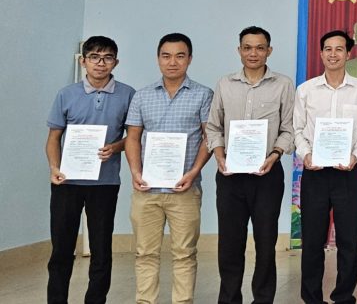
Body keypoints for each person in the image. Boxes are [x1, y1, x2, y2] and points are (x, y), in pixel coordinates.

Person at [206, 26, 294, 304]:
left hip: (267, 174)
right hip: (230, 174)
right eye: (247, 47)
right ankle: (229, 298)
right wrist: (219, 155)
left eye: (259, 48)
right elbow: (213, 127)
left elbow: (289, 129)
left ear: (269, 51)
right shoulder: (225, 84)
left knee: (266, 243)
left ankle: (263, 299)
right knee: (230, 243)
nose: (253, 53)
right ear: (239, 50)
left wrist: (275, 154)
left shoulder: (283, 84)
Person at [124, 33, 213, 304]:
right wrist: (135, 172)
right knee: (145, 253)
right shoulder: (142, 96)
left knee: (184, 253)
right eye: (166, 56)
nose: (172, 62)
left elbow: (209, 138)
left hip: (184, 190)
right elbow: (132, 138)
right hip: (147, 190)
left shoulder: (203, 94)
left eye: (179, 56)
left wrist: (193, 172)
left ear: (190, 59)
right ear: (158, 59)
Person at [46, 36, 135, 304]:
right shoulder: (66, 94)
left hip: (105, 184)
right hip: (67, 182)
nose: (100, 63)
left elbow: (134, 138)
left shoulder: (128, 94)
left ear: (116, 62)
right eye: (94, 57)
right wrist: (54, 168)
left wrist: (115, 147)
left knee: (101, 250)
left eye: (107, 58)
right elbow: (53, 138)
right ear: (84, 61)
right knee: (61, 249)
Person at [294, 29, 357, 304]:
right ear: (320, 53)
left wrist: (356, 156)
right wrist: (306, 155)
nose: (333, 54)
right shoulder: (306, 90)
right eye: (328, 49)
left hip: (347, 173)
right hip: (315, 174)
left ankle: (343, 297)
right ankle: (311, 298)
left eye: (339, 49)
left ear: (348, 53)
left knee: (349, 242)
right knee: (312, 241)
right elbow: (297, 130)